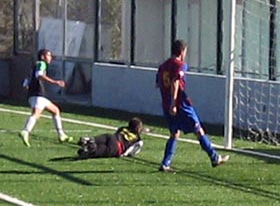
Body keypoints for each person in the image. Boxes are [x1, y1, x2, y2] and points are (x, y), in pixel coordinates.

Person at [156, 39, 229, 172]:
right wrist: (174, 103)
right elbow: (175, 82)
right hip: (181, 105)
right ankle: (214, 158)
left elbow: (159, 84)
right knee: (198, 130)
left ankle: (165, 163)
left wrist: (168, 103)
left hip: (166, 104)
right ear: (182, 51)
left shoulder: (163, 66)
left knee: (174, 133)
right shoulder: (180, 65)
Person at [19, 49, 73, 147]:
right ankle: (25, 131)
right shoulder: (41, 64)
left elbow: (26, 81)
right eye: (48, 55)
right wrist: (55, 82)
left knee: (55, 110)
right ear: (43, 56)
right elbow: (39, 75)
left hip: (34, 94)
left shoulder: (35, 65)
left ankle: (62, 135)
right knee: (36, 114)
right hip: (38, 94)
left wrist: (27, 86)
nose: (50, 57)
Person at [77, 117, 145, 159]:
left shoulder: (123, 128)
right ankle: (90, 150)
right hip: (118, 147)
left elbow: (118, 132)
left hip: (112, 137)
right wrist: (124, 154)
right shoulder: (138, 139)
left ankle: (89, 140)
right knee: (103, 150)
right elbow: (132, 150)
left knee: (103, 138)